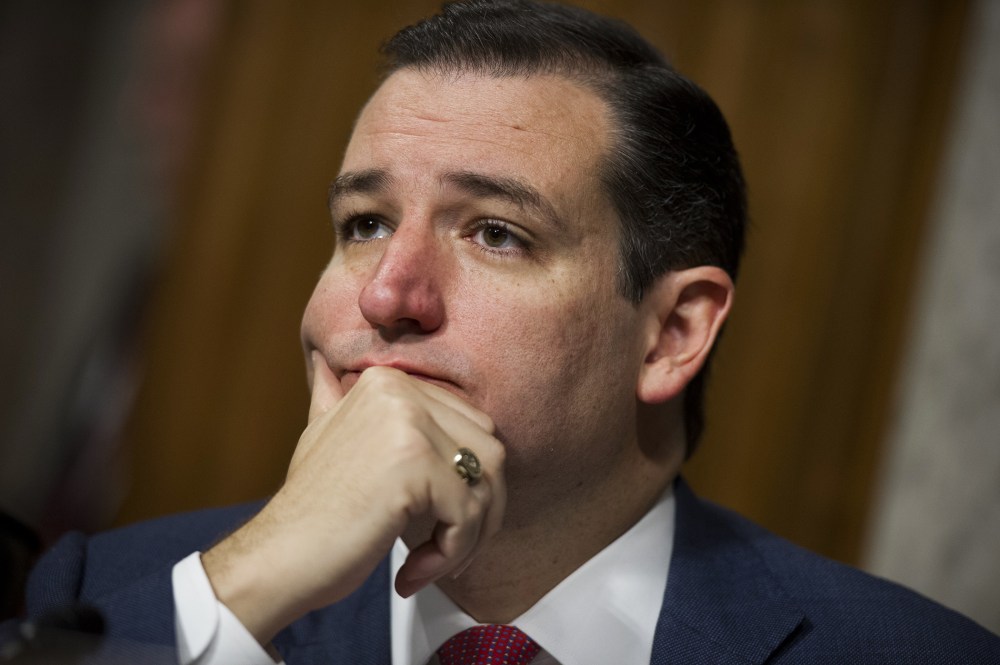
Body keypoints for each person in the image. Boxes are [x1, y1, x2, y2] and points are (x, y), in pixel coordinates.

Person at [18, 1, 1000, 663]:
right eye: (363, 224)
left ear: (671, 334)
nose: (388, 294)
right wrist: (246, 589)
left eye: (496, 232)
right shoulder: (105, 598)